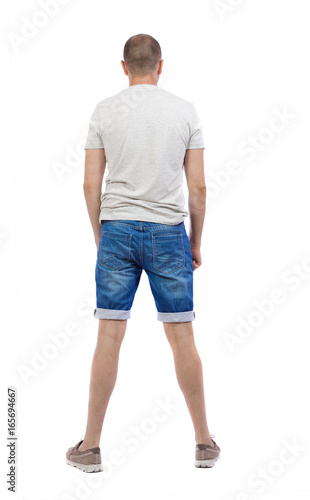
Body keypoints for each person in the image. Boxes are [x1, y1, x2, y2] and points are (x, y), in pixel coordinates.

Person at [66, 33, 220, 473]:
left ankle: (90, 449)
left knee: (109, 337)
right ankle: (204, 443)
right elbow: (199, 188)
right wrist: (195, 243)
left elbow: (89, 186)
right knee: (183, 338)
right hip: (168, 234)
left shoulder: (104, 110)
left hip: (116, 231)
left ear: (123, 67)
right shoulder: (185, 111)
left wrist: (102, 236)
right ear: (160, 65)